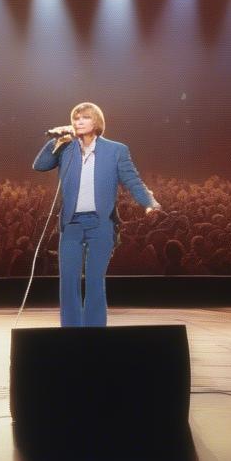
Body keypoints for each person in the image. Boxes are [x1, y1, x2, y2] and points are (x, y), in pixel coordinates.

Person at [32, 102, 160, 326]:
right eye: (75, 118)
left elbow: (132, 180)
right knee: (68, 281)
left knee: (94, 280)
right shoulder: (66, 148)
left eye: (84, 118)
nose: (78, 122)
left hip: (101, 223)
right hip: (71, 223)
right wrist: (57, 140)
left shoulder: (116, 150)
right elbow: (40, 166)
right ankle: (71, 333)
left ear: (96, 122)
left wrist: (149, 203)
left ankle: (94, 333)